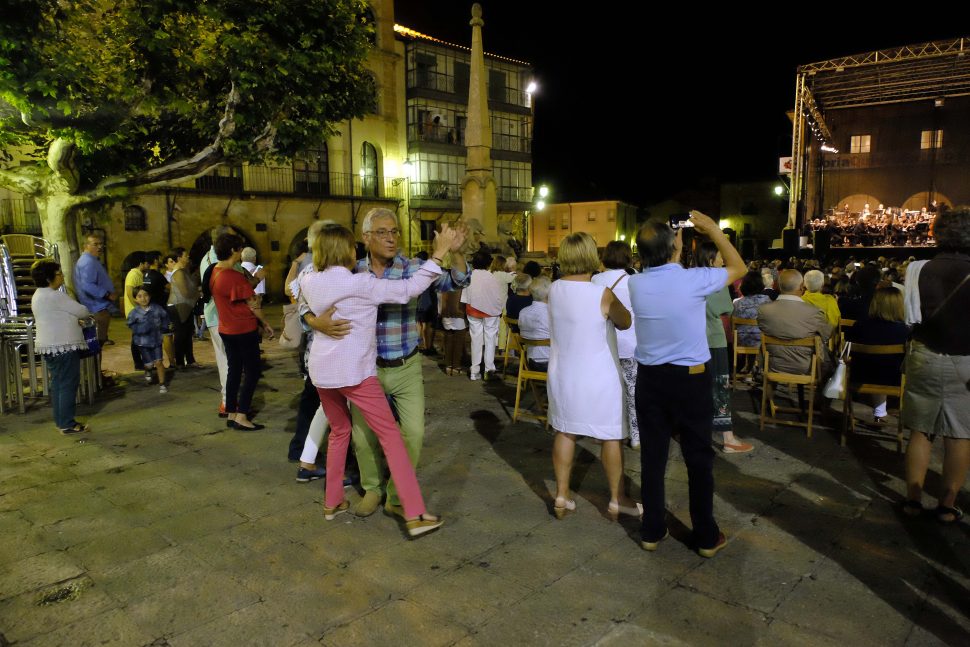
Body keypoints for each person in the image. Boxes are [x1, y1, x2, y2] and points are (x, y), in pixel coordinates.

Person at [300, 222, 461, 537]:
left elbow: (296, 293)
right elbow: (408, 289)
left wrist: (313, 319)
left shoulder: (309, 280)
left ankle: (333, 501)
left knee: (339, 432)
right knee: (391, 438)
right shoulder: (361, 283)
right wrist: (439, 252)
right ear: (348, 249)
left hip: (322, 372)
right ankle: (414, 513)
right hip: (355, 373)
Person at [630, 211, 746, 557]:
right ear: (673, 249)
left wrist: (672, 250)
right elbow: (739, 268)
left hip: (650, 378)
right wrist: (712, 230)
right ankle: (705, 535)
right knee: (698, 458)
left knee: (653, 458)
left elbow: (662, 268)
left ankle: (652, 529)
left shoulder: (635, 283)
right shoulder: (694, 279)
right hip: (691, 378)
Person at [547, 232, 640, 521]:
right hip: (599, 375)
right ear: (591, 256)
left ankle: (562, 495)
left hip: (563, 372)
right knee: (610, 435)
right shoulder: (601, 294)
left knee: (566, 431)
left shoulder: (554, 289)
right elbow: (625, 322)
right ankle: (617, 498)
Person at [901, 207, 970, 524]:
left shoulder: (917, 269)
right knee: (959, 434)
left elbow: (909, 317)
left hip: (926, 353)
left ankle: (912, 500)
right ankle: (947, 505)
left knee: (921, 429)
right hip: (966, 360)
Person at [209, 233, 274, 430]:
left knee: (234, 370)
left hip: (226, 328)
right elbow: (253, 304)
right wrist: (265, 324)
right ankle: (242, 415)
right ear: (232, 251)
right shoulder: (234, 276)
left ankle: (231, 412)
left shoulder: (215, 272)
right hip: (243, 329)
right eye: (238, 249)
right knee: (253, 371)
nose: (240, 253)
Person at [694, 241, 753, 454]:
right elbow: (726, 308)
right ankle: (728, 438)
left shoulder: (691, 277)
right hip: (714, 340)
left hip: (694, 340)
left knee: (698, 388)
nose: (722, 260)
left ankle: (697, 433)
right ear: (711, 258)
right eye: (720, 256)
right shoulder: (716, 279)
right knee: (720, 386)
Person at [200, 225, 264, 417]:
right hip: (225, 317)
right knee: (229, 363)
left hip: (218, 316)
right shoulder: (226, 264)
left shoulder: (207, 258)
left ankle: (229, 405)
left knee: (228, 361)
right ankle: (230, 404)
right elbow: (242, 288)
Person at [31, 260, 91, 434]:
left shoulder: (38, 294)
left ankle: (60, 420)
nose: (62, 276)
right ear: (50, 278)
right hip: (63, 347)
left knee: (58, 384)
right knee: (67, 384)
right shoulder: (54, 295)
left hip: (50, 347)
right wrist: (75, 318)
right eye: (59, 273)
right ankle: (67, 423)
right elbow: (82, 311)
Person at [591, 240, 639, 449]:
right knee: (632, 390)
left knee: (605, 389)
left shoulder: (595, 280)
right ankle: (636, 435)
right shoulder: (634, 281)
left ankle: (604, 432)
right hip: (630, 343)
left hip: (603, 343)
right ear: (628, 258)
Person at [846, 286, 908, 423]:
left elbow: (847, 348)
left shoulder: (861, 325)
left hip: (860, 376)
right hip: (894, 380)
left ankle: (879, 411)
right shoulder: (904, 331)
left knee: (876, 364)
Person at [758, 270, 833, 377]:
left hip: (772, 365)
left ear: (778, 286)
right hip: (807, 366)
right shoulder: (813, 312)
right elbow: (827, 334)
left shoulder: (763, 311)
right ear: (802, 287)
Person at [465, 249, 505, 381]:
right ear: (488, 263)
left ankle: (475, 370)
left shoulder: (469, 275)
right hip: (491, 312)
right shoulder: (492, 277)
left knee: (475, 340)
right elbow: (498, 297)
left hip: (473, 310)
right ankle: (489, 369)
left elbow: (465, 296)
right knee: (490, 339)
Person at [127, 285, 171, 393]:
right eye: (140, 296)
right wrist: (140, 329)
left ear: (150, 296)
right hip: (143, 343)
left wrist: (165, 327)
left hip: (156, 340)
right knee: (149, 363)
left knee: (159, 362)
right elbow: (130, 324)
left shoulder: (157, 308)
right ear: (135, 299)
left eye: (146, 295)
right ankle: (148, 370)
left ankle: (162, 384)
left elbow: (165, 317)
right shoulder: (134, 313)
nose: (143, 298)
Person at [73, 234, 115, 346]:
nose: (100, 247)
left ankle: (102, 340)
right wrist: (106, 294)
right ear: (86, 246)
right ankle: (100, 343)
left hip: (97, 304)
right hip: (96, 305)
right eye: (95, 244)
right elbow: (87, 285)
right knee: (97, 341)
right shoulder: (88, 262)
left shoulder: (91, 260)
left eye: (101, 244)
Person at [165, 248, 200, 369]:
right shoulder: (178, 273)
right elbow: (185, 292)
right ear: (179, 258)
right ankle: (180, 362)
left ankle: (189, 360)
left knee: (187, 334)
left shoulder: (184, 271)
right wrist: (198, 293)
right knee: (180, 335)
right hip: (177, 307)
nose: (188, 257)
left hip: (185, 306)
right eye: (186, 256)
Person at [123, 251, 150, 371]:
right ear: (141, 263)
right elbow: (129, 293)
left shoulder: (139, 274)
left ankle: (141, 363)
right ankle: (139, 364)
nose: (148, 265)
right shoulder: (133, 274)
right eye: (146, 263)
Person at [517, 276, 551, 370]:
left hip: (530, 362)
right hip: (550, 363)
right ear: (548, 294)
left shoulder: (523, 312)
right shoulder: (551, 314)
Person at [440, 287, 467, 376]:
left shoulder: (445, 282)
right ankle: (456, 367)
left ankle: (448, 366)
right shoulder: (463, 284)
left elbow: (440, 299)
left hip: (446, 313)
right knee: (458, 342)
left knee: (448, 340)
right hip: (459, 313)